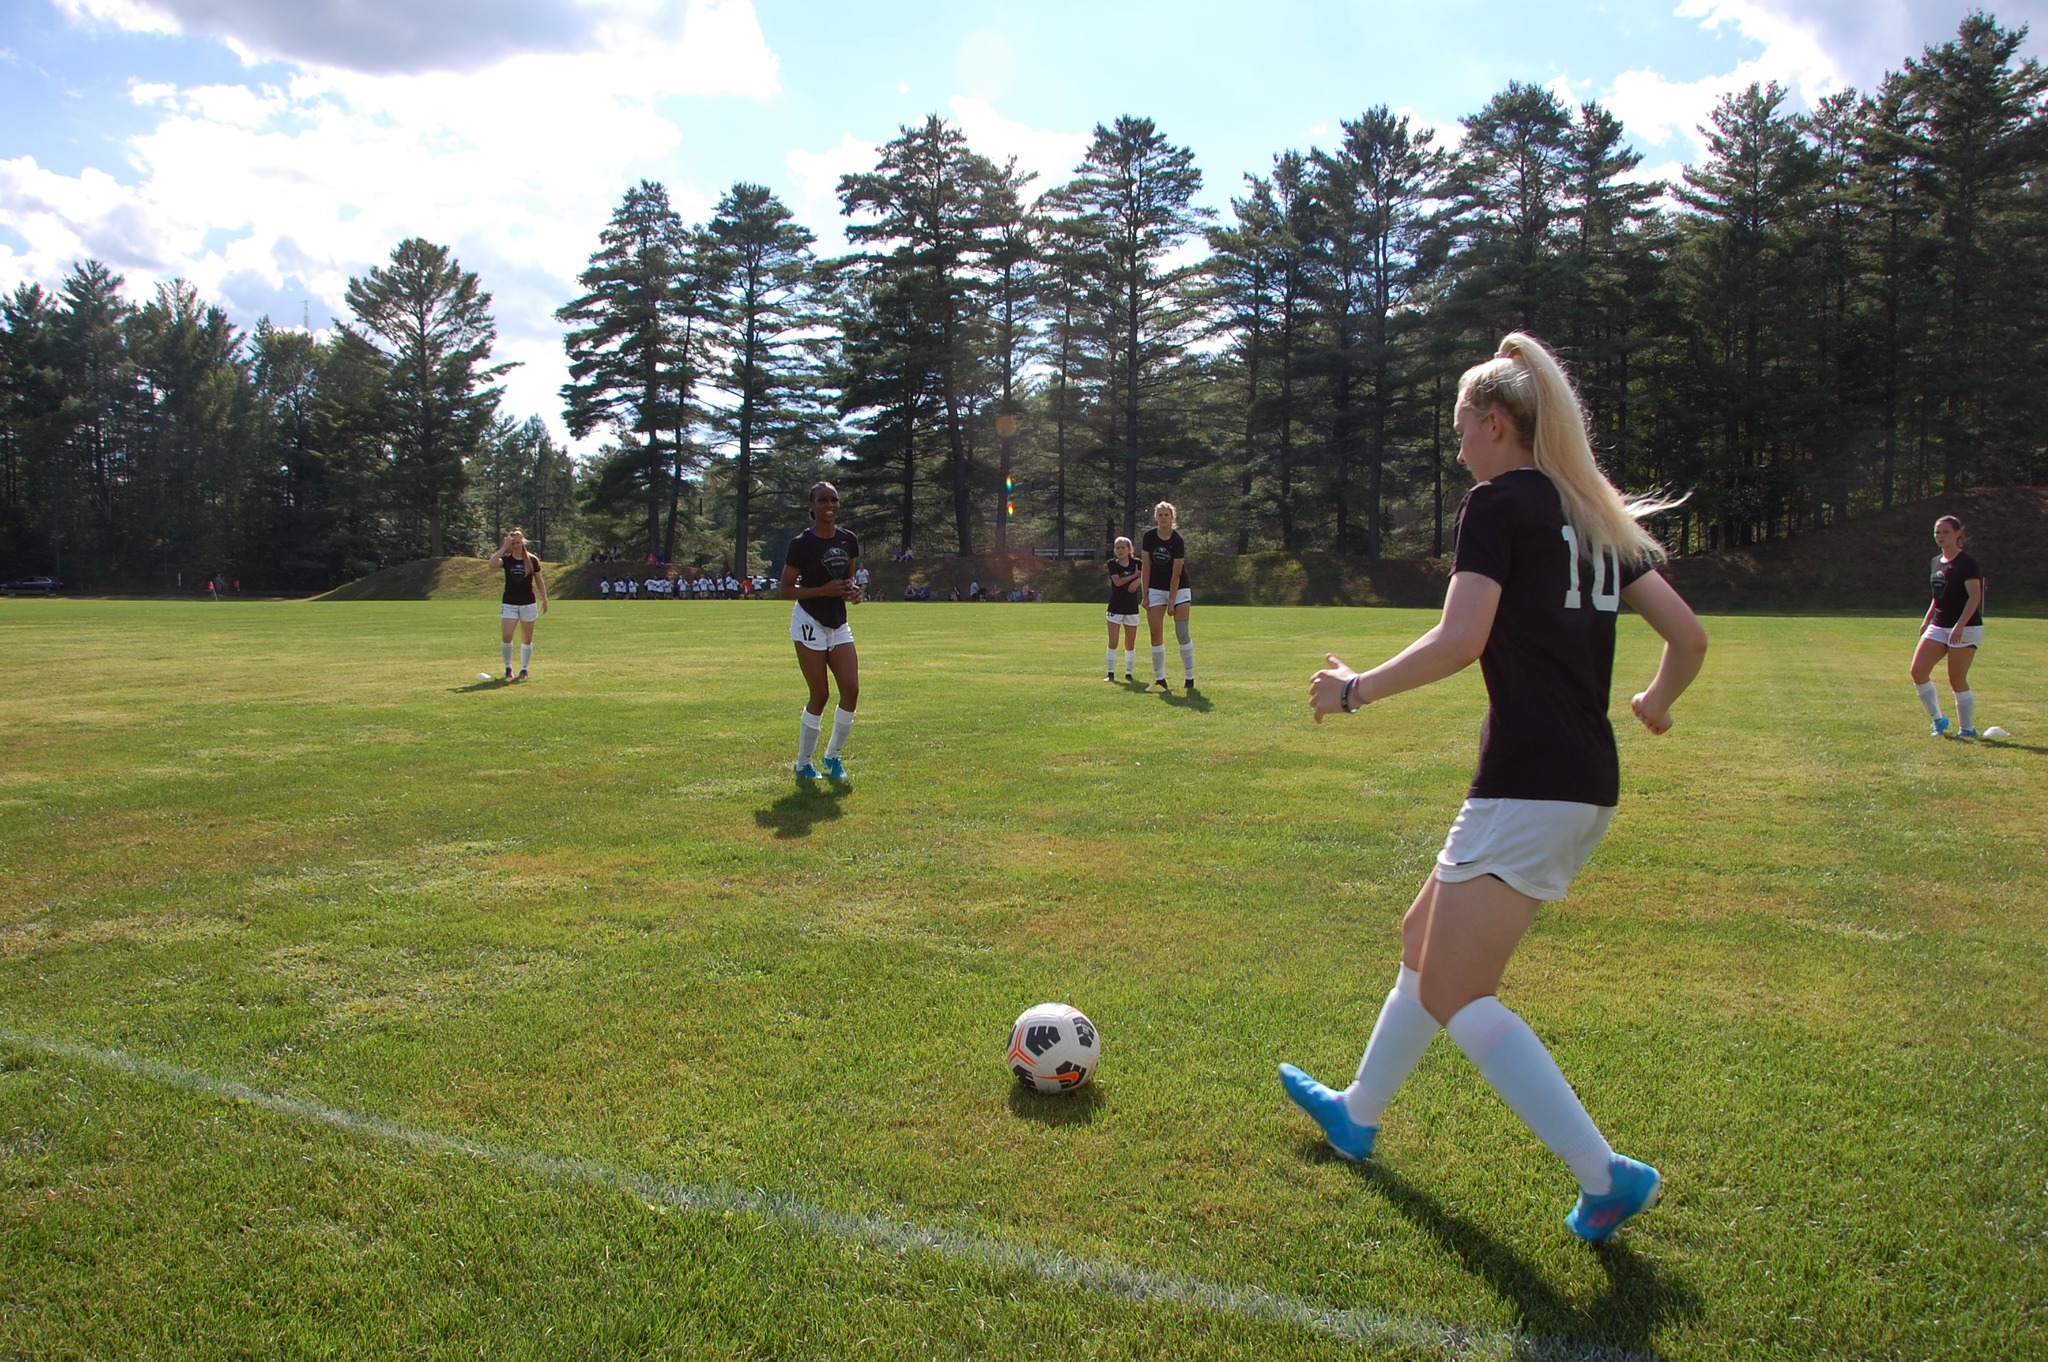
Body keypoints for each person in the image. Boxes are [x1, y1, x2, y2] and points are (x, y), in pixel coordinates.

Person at [1277, 332, 1707, 1243]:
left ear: (1499, 423)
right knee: (1420, 938)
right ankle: (1359, 1113)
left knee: (1462, 992)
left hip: (1529, 782)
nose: (1458, 441)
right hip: (1578, 780)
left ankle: (1605, 1176)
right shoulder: (1590, 513)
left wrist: (1354, 691)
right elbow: (1689, 636)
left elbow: (1460, 637)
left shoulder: (1499, 504)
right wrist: (1655, 704)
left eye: (1464, 423)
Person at [781, 481, 863, 782]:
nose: (829, 505)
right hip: (809, 621)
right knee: (820, 694)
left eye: (834, 500)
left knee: (851, 691)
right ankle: (803, 763)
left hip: (838, 622)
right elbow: (786, 590)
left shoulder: (848, 540)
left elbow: (848, 577)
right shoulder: (801, 544)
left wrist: (852, 591)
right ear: (812, 506)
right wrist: (822, 590)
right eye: (822, 500)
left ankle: (832, 757)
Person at [1912, 515, 1986, 739]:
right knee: (1918, 671)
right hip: (1939, 624)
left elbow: (1974, 597)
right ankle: (1939, 719)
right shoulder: (1936, 562)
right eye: (1937, 532)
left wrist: (1960, 625)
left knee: (1956, 678)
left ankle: (1967, 729)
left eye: (1945, 532)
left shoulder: (1966, 562)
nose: (1940, 536)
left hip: (1966, 626)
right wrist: (1927, 619)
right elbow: (1938, 596)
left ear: (1958, 534)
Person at [1141, 501, 1195, 691]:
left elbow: (1176, 574)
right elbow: (1146, 568)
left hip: (1179, 588)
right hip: (1156, 587)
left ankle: (1189, 676)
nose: (1163, 518)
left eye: (1167, 515)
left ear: (1172, 518)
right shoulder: (1148, 537)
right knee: (1155, 632)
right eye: (1160, 515)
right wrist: (1145, 595)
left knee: (1182, 632)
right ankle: (1160, 679)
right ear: (1156, 517)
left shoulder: (1177, 540)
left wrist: (1172, 602)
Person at [488, 529, 548, 680]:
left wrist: (545, 599)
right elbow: (492, 564)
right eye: (512, 543)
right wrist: (503, 548)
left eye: (518, 542)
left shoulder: (532, 560)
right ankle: (508, 667)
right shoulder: (507, 560)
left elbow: (539, 581)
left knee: (527, 638)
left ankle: (524, 669)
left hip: (528, 602)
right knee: (507, 635)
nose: (516, 545)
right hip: (510, 602)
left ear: (523, 542)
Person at [1104, 536, 1143, 682]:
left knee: (1130, 643)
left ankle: (1128, 673)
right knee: (1113, 641)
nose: (1120, 550)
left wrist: (1138, 581)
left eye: (1123, 547)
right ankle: (1110, 673)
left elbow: (1146, 575)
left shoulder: (1137, 563)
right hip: (1116, 606)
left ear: (1129, 549)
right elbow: (1118, 582)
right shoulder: (1112, 564)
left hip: (1131, 607)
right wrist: (1134, 575)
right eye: (1117, 548)